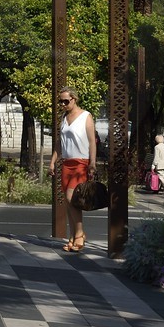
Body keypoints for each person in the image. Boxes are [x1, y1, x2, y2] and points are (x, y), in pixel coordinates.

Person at [48, 88, 97, 252]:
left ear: (74, 99)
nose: (62, 104)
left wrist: (93, 163)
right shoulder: (63, 117)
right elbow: (59, 142)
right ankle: (74, 235)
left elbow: (92, 141)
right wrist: (53, 162)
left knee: (71, 198)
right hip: (66, 163)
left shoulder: (85, 116)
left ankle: (80, 234)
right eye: (60, 101)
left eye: (65, 101)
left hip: (81, 163)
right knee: (69, 203)